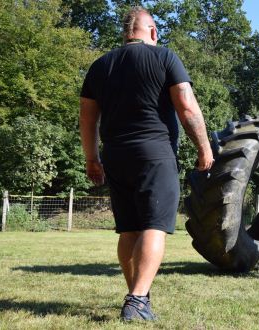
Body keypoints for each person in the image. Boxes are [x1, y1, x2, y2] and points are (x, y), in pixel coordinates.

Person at [79, 6, 214, 321]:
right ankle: (138, 300)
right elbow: (187, 107)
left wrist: (92, 158)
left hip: (115, 155)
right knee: (155, 225)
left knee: (129, 230)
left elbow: (87, 119)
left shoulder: (100, 66)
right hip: (154, 153)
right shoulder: (165, 57)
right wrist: (204, 147)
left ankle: (138, 296)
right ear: (152, 31)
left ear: (126, 33)